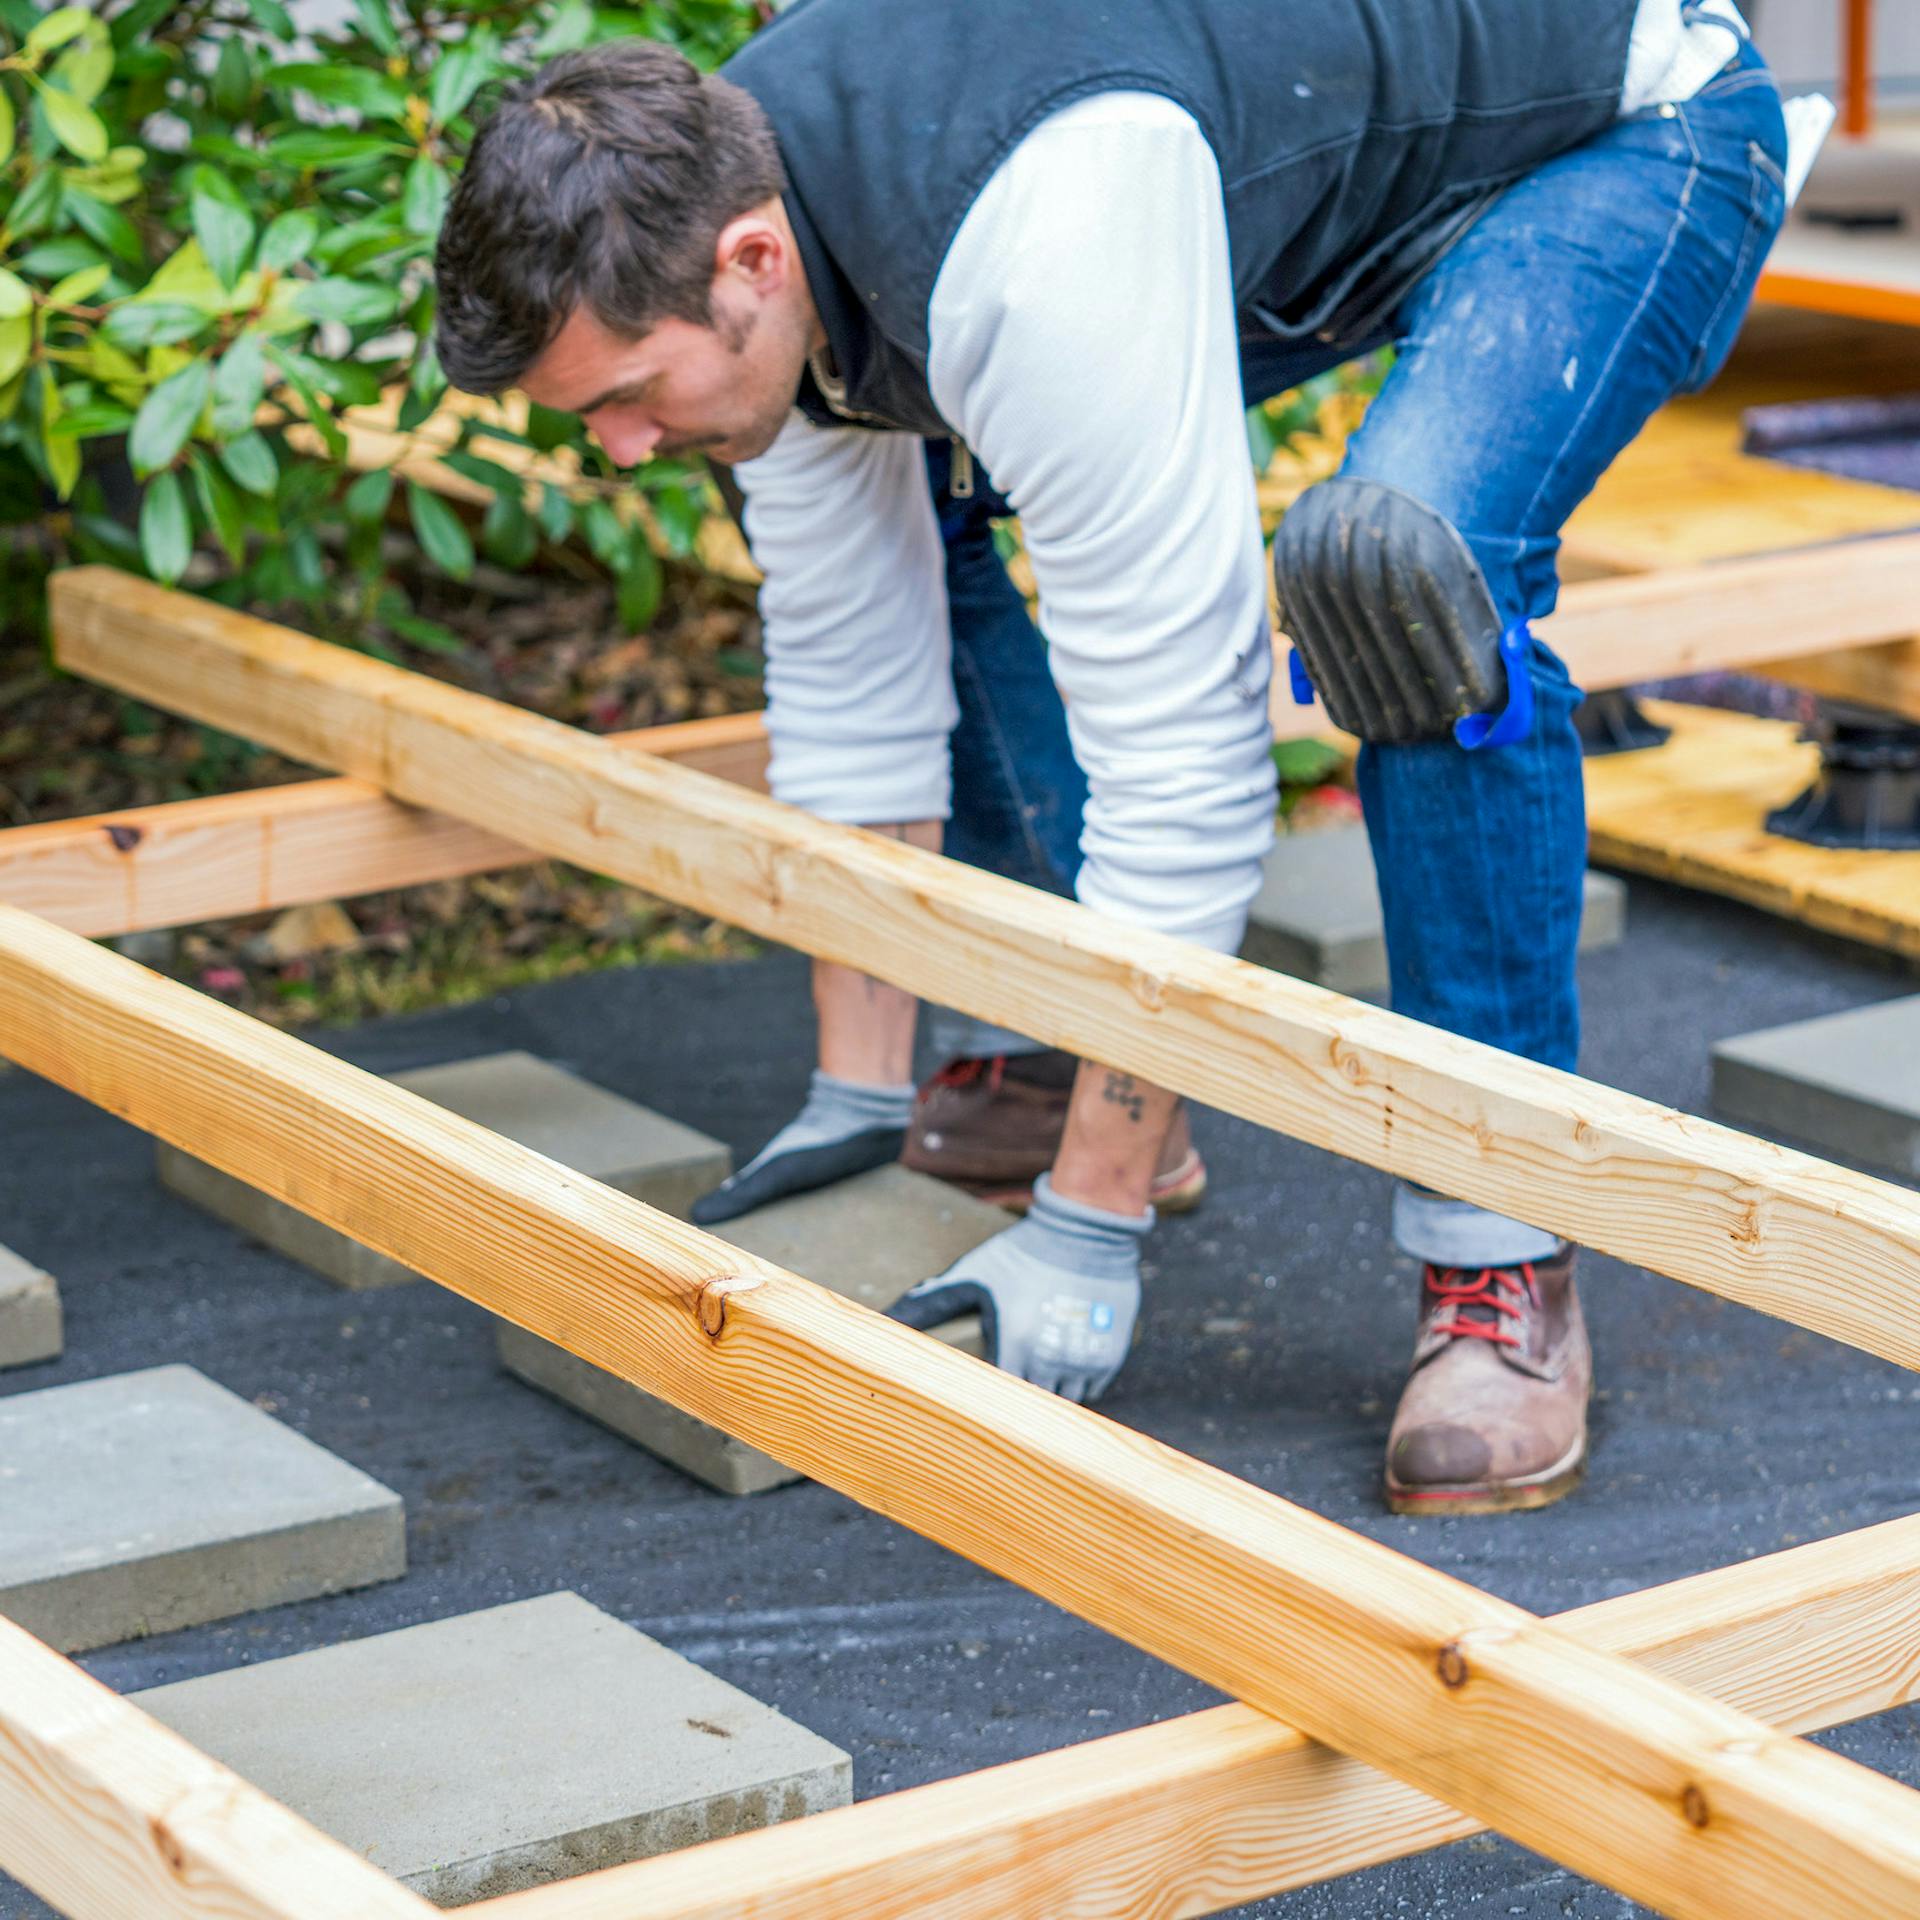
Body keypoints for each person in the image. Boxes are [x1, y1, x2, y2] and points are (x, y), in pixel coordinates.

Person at [433, 0, 1798, 1511]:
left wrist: (1091, 1227)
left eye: (626, 397)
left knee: (1401, 570)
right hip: (1294, 180)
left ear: (750, 261)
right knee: (897, 495)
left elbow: (1185, 766)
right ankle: (1035, 1058)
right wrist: (857, 1097)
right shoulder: (741, 214)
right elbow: (850, 668)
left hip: (1621, 137)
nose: (620, 449)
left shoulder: (1036, 243)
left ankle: (1500, 1265)